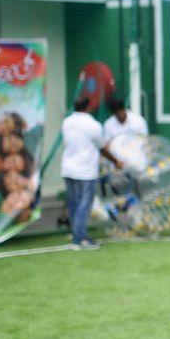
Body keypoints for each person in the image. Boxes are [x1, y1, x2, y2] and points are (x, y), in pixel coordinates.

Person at [61, 95, 121, 250]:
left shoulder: (67, 122)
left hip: (68, 168)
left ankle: (76, 235)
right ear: (88, 107)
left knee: (74, 202)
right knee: (84, 204)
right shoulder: (93, 125)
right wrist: (116, 161)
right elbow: (102, 148)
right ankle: (80, 239)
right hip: (85, 170)